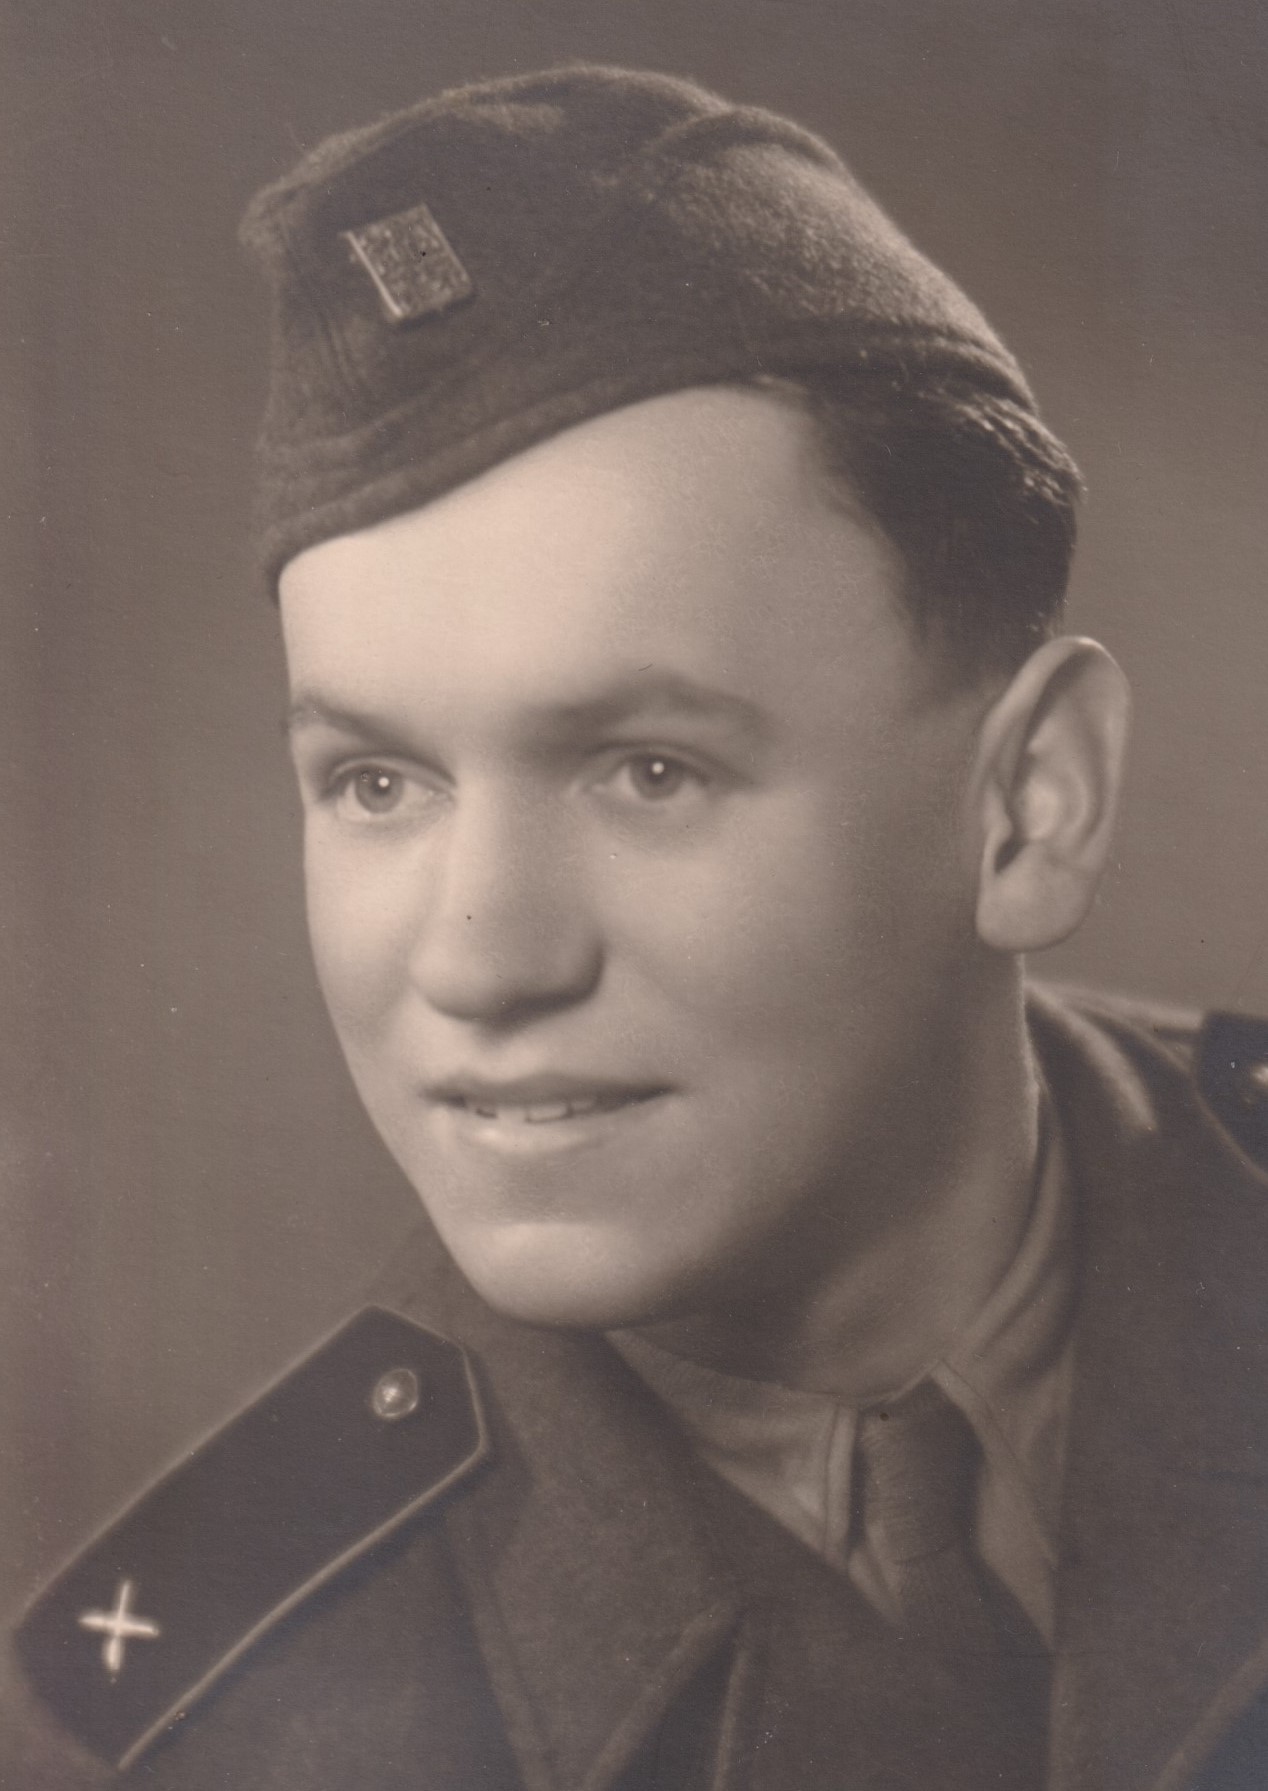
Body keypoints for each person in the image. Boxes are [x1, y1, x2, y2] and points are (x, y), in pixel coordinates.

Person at [8, 63, 1268, 1791]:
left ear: (1030, 803)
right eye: (376, 783)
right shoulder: (195, 1732)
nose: (478, 962)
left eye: (648, 771)